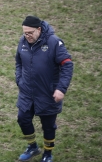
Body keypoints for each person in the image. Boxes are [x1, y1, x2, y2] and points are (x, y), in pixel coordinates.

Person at [15, 16, 73, 162]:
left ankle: (47, 153)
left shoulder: (54, 43)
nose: (27, 36)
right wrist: (19, 79)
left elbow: (67, 65)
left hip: (47, 94)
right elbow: (18, 62)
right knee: (23, 119)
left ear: (39, 29)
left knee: (48, 126)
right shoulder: (23, 41)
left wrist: (61, 88)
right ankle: (32, 146)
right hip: (27, 92)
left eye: (30, 33)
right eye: (24, 33)